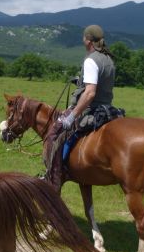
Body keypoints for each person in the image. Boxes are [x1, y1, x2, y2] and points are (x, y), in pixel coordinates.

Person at [43, 24, 116, 189]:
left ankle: (53, 178)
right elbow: (99, 82)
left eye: (84, 37)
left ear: (88, 40)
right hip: (107, 109)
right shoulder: (108, 59)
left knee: (54, 134)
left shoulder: (91, 60)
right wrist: (80, 81)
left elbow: (90, 93)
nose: (83, 40)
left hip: (90, 110)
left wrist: (72, 116)